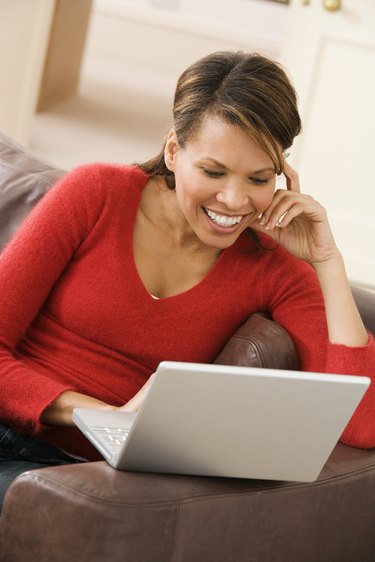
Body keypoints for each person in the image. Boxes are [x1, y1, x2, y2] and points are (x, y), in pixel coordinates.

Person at [0, 50, 374, 507]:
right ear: (174, 151)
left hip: (73, 479)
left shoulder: (273, 267)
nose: (234, 200)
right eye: (213, 171)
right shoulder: (95, 193)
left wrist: (327, 260)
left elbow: (362, 425)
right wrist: (105, 417)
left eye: (258, 178)